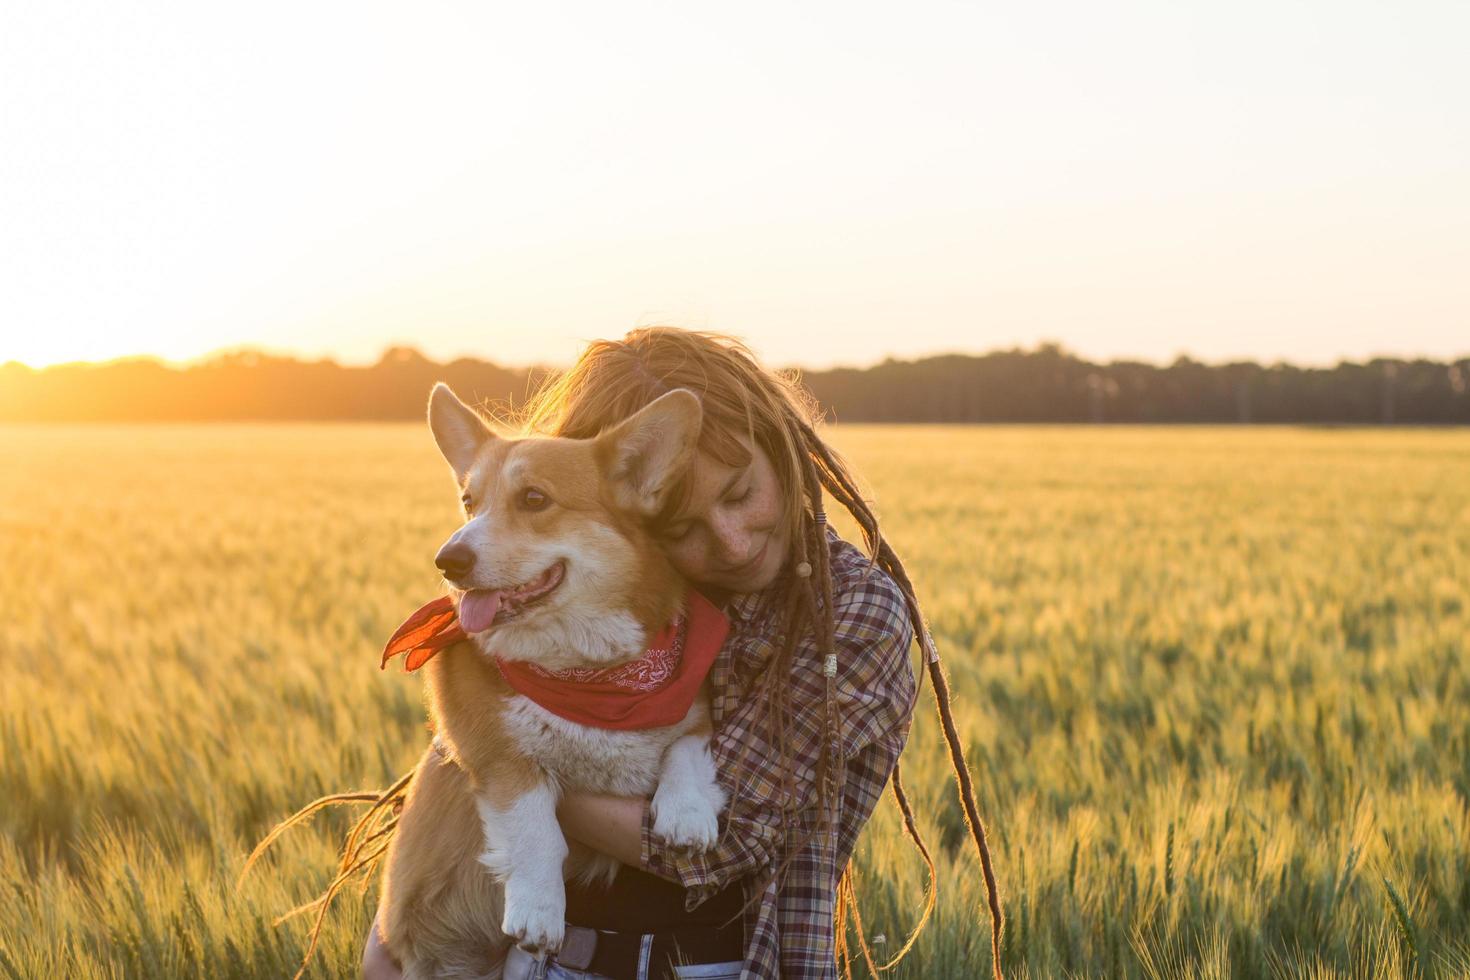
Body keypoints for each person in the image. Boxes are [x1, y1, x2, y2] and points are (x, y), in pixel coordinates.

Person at [362, 328, 1001, 980]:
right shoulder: (607, 580)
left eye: (739, 493)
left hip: (723, 963)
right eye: (685, 526)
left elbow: (723, 844)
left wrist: (502, 761)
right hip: (534, 959)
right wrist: (402, 930)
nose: (729, 543)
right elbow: (483, 741)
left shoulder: (855, 616)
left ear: (780, 450)